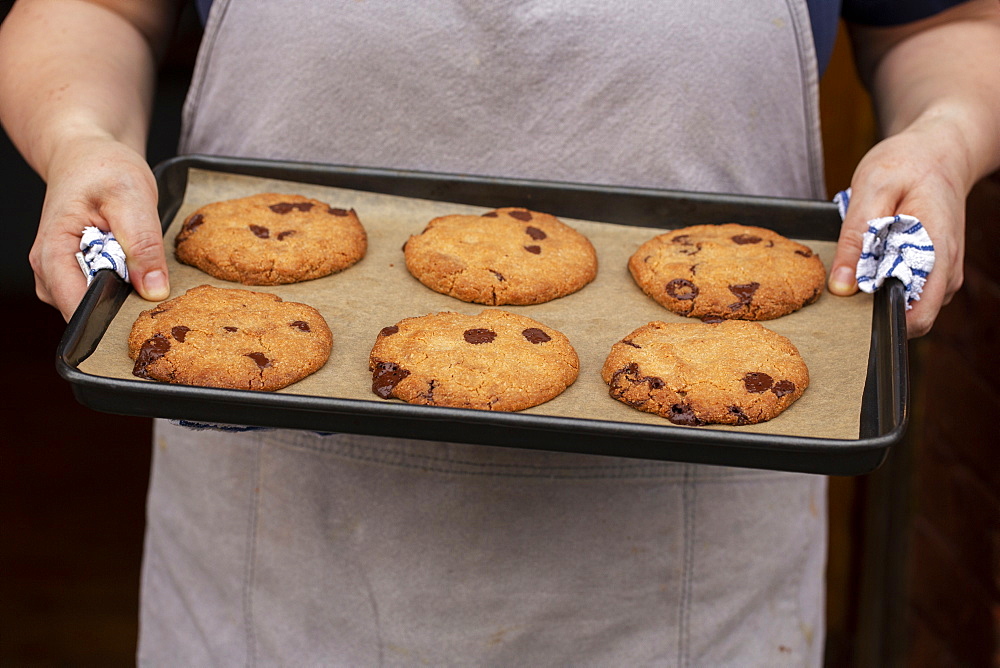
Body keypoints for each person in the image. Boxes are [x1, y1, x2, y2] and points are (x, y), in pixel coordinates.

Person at [1, 0, 997, 664]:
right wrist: (80, 133)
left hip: (691, 570)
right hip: (277, 564)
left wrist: (944, 133)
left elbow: (948, 22)